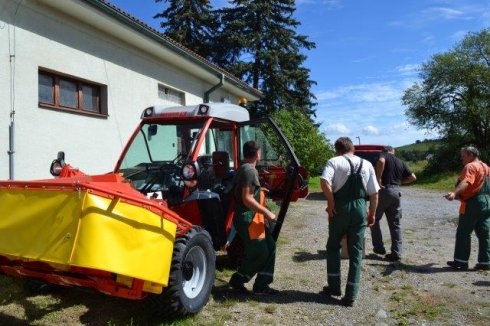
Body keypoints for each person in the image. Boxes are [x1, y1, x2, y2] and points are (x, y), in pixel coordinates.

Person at [320, 137, 380, 306]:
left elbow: (324, 181)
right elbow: (374, 194)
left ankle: (334, 288)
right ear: (352, 148)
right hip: (360, 208)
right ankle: (351, 296)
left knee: (333, 246)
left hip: (340, 209)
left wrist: (331, 202)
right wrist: (372, 213)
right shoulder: (367, 164)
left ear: (337, 149)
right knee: (356, 252)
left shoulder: (334, 161)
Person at [229, 140, 279, 295]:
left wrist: (259, 190)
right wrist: (268, 213)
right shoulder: (249, 170)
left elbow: (246, 192)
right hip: (248, 219)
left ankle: (262, 285)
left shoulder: (245, 169)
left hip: (253, 218)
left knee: (270, 247)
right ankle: (237, 280)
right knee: (259, 253)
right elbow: (247, 199)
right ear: (258, 153)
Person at [444, 146, 490, 271]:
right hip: (486, 202)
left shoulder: (470, 166)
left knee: (464, 232)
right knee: (484, 233)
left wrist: (455, 193)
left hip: (473, 203)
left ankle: (461, 261)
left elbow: (467, 181)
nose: (461, 158)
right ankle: (486, 262)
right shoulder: (486, 167)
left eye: (463, 156)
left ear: (470, 155)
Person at [370, 146, 416, 261]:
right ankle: (396, 253)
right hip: (396, 192)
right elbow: (413, 177)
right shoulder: (400, 161)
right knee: (395, 224)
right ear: (393, 151)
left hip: (384, 190)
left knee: (373, 219)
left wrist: (378, 179)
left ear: (384, 151)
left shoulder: (384, 155)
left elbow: (381, 161)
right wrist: (399, 182)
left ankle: (379, 247)